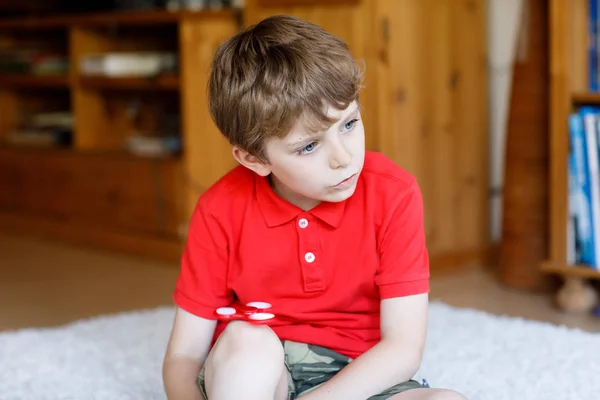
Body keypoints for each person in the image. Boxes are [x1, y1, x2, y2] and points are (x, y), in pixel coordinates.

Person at [162, 14, 467, 400]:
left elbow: (403, 347)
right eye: (309, 146)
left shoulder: (394, 193)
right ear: (255, 160)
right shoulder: (219, 209)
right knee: (245, 344)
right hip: (258, 375)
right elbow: (184, 354)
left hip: (358, 378)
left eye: (349, 124)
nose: (343, 158)